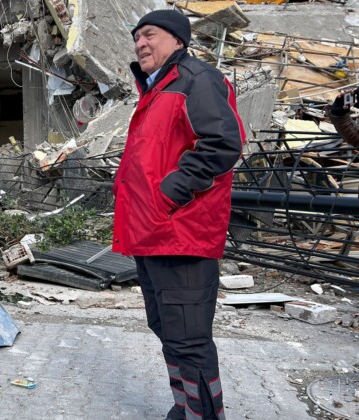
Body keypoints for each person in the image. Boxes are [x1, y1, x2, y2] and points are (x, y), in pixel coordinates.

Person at [112, 10, 244, 420]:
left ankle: (204, 415)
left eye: (150, 34)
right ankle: (185, 407)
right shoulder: (156, 89)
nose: (141, 43)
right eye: (136, 37)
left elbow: (222, 144)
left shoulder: (196, 80)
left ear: (178, 40)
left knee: (189, 338)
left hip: (181, 234)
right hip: (153, 235)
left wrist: (168, 194)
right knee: (168, 330)